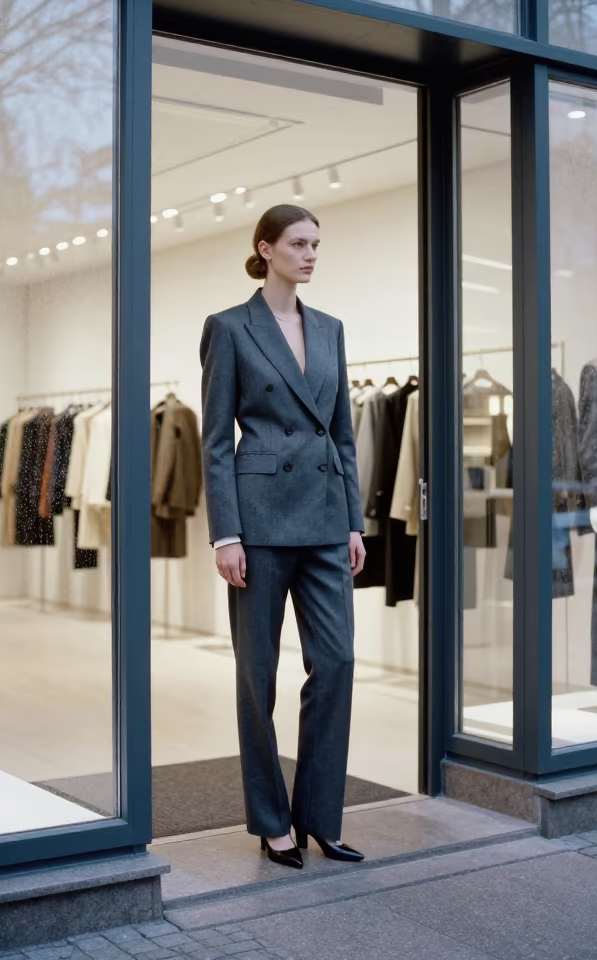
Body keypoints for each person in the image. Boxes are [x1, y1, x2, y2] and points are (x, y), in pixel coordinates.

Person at [199, 204, 367, 869]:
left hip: (326, 519)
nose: (311, 255)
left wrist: (354, 519)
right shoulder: (229, 328)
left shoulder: (330, 329)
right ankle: (272, 823)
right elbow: (215, 442)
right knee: (257, 676)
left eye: (317, 244)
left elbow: (344, 434)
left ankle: (320, 817)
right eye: (299, 243)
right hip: (260, 525)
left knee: (339, 662)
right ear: (264, 248)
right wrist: (225, 534)